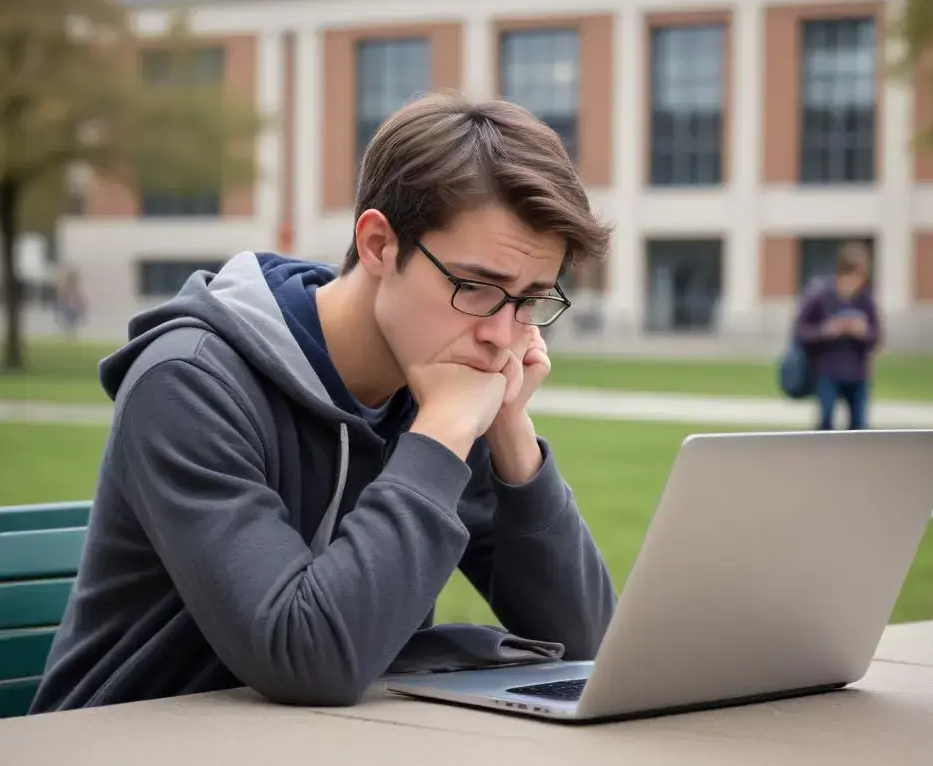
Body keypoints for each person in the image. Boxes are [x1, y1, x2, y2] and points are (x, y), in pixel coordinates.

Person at [31, 92, 618, 713]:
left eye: (531, 300)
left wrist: (511, 434)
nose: (504, 337)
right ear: (377, 244)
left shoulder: (442, 378)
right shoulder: (187, 381)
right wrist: (442, 431)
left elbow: (585, 645)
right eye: (476, 288)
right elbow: (307, 660)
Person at [793, 242, 881, 431]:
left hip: (858, 373)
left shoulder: (865, 300)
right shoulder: (820, 296)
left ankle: (856, 461)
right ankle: (822, 460)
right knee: (825, 424)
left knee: (859, 427)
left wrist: (862, 332)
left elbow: (875, 337)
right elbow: (800, 332)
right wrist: (828, 330)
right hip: (827, 371)